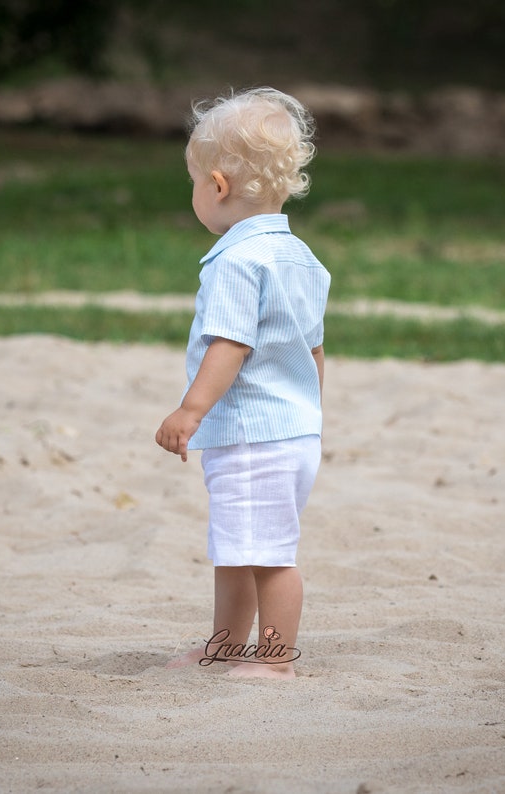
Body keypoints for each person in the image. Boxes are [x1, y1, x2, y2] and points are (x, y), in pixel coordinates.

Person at [155, 87, 330, 679]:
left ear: (219, 185)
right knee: (239, 548)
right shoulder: (301, 257)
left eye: (196, 183)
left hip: (254, 436)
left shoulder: (235, 262)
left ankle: (275, 660)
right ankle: (226, 646)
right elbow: (312, 349)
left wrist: (190, 410)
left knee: (269, 557)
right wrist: (309, 410)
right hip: (292, 432)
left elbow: (230, 344)